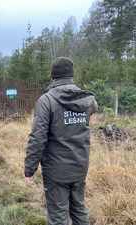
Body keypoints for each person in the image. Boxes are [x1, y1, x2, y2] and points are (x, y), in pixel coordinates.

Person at [24, 57, 98, 225]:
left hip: (56, 171)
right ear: (71, 75)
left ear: (53, 76)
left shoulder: (46, 101)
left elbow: (37, 137)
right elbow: (93, 109)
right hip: (80, 166)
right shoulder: (88, 100)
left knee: (58, 216)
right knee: (79, 210)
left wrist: (30, 168)